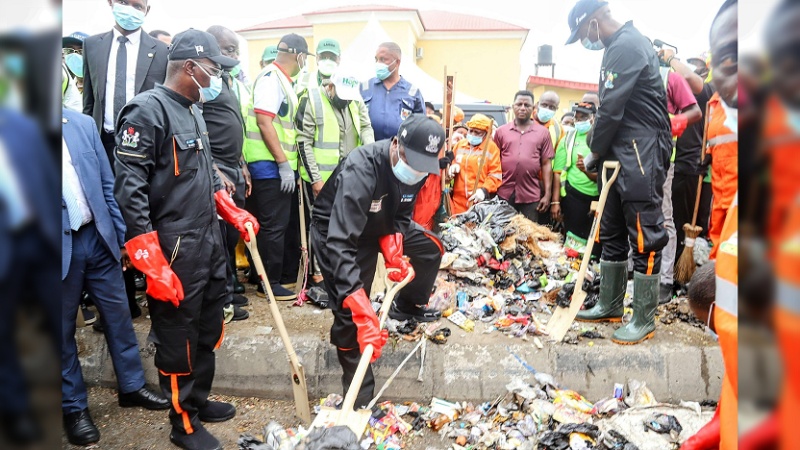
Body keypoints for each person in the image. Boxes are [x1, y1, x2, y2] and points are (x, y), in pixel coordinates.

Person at [113, 29, 259, 450]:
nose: (218, 79)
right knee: (178, 341)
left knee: (208, 329)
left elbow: (206, 170)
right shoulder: (146, 112)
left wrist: (228, 205)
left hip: (208, 241)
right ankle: (184, 425)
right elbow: (130, 192)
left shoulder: (194, 109)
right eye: (213, 70)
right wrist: (151, 263)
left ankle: (198, 400)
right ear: (191, 68)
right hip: (175, 249)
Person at [310, 113, 445, 409]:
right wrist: (360, 305)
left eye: (423, 167)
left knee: (430, 247)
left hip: (379, 223)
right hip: (339, 232)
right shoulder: (363, 168)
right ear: (396, 145)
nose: (416, 172)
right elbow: (341, 241)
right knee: (351, 315)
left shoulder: (418, 169)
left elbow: (401, 214)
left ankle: (407, 306)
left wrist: (394, 250)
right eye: (411, 163)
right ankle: (358, 397)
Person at [565, 0, 672, 345]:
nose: (584, 40)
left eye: (583, 33)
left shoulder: (627, 44)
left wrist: (593, 151)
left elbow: (610, 109)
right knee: (610, 230)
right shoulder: (615, 46)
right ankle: (610, 304)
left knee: (645, 233)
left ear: (594, 21)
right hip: (619, 150)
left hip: (640, 150)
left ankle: (643, 317)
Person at [61, 108, 168, 446]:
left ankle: (132, 386)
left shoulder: (80, 123)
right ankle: (74, 408)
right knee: (60, 331)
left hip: (98, 238)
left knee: (119, 317)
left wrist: (122, 238)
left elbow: (108, 183)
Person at [82, 0, 169, 322]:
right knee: (109, 221)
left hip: (146, 150)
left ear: (147, 9)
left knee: (145, 217)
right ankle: (123, 303)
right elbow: (89, 101)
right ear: (110, 3)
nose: (130, 8)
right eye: (124, 2)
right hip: (104, 146)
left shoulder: (159, 51)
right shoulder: (92, 46)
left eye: (138, 4)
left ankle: (156, 291)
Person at [243, 33, 310, 302]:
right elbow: (264, 122)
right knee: (274, 226)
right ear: (300, 56)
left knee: (271, 224)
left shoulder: (280, 79)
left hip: (273, 165)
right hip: (269, 166)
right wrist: (283, 163)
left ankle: (264, 276)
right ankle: (268, 284)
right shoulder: (272, 79)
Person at [204, 25, 252, 322]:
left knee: (232, 232)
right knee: (219, 236)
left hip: (233, 165)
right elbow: (195, 129)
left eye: (236, 50)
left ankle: (230, 286)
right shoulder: (204, 83)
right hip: (216, 167)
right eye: (228, 49)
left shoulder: (225, 80)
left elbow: (235, 125)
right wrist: (214, 168)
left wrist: (243, 163)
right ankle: (222, 296)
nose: (234, 55)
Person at [658, 49, 716, 284]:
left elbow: (692, 79)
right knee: (674, 218)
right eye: (689, 63)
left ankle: (689, 275)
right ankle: (672, 271)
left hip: (695, 166)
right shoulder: (675, 90)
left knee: (692, 225)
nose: (691, 68)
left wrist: (672, 59)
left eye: (697, 65)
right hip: (673, 162)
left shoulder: (706, 90)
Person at [654, 60, 702, 303]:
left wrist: (664, 127)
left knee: (665, 218)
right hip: (632, 158)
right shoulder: (626, 74)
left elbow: (694, 110)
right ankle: (633, 272)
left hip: (662, 159)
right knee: (633, 216)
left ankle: (664, 280)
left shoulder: (670, 78)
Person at [494, 90, 554, 221]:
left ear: (533, 108)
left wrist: (547, 194)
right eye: (519, 104)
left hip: (530, 195)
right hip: (503, 192)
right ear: (513, 106)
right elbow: (493, 163)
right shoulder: (501, 132)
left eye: (527, 105)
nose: (522, 108)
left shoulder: (543, 133)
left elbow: (546, 164)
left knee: (528, 235)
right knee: (502, 234)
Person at [551, 102, 600, 258]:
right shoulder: (568, 138)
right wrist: (556, 201)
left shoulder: (601, 138)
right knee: (574, 242)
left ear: (593, 118)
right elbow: (557, 172)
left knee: (595, 242)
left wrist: (586, 170)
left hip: (599, 197)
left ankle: (591, 273)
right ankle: (574, 271)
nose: (579, 121)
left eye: (584, 117)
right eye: (577, 118)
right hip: (574, 197)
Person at [361, 42, 425, 141]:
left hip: (399, 152)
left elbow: (420, 128)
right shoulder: (365, 88)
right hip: (369, 152)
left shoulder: (412, 92)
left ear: (397, 62)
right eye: (376, 59)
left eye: (383, 59)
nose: (378, 63)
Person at [447, 114, 502, 214]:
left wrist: (484, 191)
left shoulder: (491, 148)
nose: (473, 134)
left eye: (477, 133)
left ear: (486, 134)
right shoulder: (460, 144)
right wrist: (452, 167)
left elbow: (495, 175)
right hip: (458, 201)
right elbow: (451, 162)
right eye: (471, 130)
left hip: (479, 201)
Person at [62, 32, 88, 111]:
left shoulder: (101, 89)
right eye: (69, 51)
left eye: (81, 51)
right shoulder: (66, 85)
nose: (75, 55)